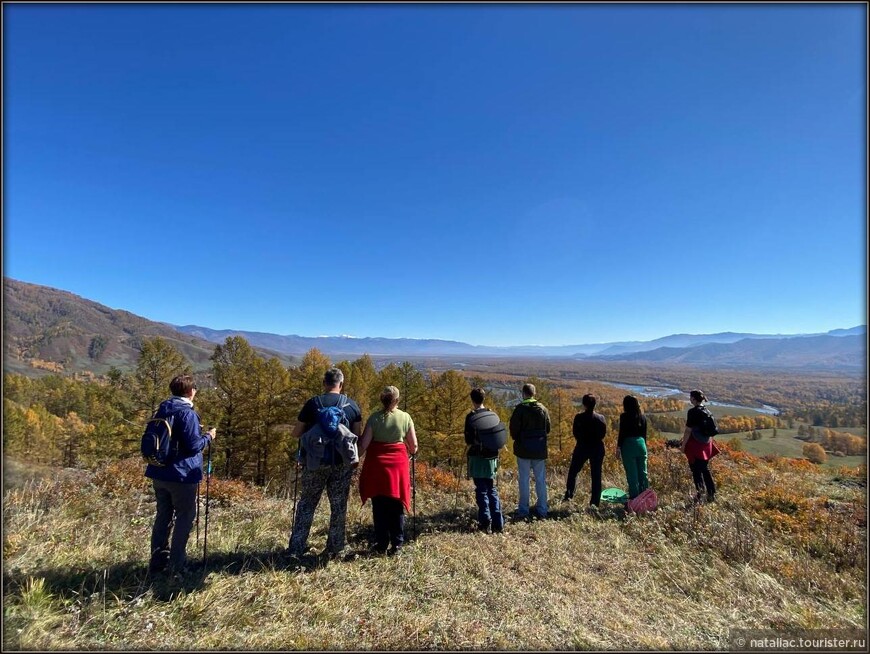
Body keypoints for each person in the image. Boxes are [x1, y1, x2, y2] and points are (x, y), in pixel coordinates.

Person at [287, 367, 362, 560]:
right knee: (338, 506)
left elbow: (296, 433)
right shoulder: (352, 406)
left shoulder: (313, 404)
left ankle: (296, 547)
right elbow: (357, 436)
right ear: (341, 384)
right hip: (341, 464)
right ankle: (335, 547)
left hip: (314, 463)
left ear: (324, 383)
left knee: (307, 504)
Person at [145, 374, 216, 576]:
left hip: (158, 471)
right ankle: (177, 566)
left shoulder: (163, 409)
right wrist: (208, 437)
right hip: (182, 474)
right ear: (190, 391)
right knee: (185, 516)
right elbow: (193, 446)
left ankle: (157, 562)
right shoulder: (187, 414)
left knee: (163, 517)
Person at [358, 386, 418, 555]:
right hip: (397, 466)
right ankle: (397, 544)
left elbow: (364, 445)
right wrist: (410, 450)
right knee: (396, 504)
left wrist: (353, 460)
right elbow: (413, 446)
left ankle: (381, 543)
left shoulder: (374, 418)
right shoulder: (405, 417)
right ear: (397, 400)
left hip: (377, 466)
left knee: (379, 505)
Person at [464, 388, 504, 534]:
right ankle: (498, 524)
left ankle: (484, 522)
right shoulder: (492, 414)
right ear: (483, 398)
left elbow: (468, 440)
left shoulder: (471, 417)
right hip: (491, 458)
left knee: (481, 490)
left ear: (472, 399)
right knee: (492, 489)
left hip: (477, 458)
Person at [509, 383, 551, 519]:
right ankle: (543, 510)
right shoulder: (543, 409)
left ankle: (523, 510)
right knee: (540, 480)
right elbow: (548, 429)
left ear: (523, 393)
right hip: (539, 450)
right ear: (534, 393)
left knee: (524, 480)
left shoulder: (520, 409)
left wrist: (520, 439)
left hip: (523, 450)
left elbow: (514, 431)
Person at [564, 393, 607, 507]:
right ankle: (595, 502)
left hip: (582, 447)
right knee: (596, 475)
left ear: (584, 405)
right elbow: (603, 434)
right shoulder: (601, 418)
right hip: (597, 448)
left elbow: (575, 433)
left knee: (573, 472)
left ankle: (569, 495)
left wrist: (582, 440)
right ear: (594, 404)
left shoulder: (579, 417)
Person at [681, 389, 721, 503]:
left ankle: (700, 494)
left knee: (696, 471)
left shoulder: (692, 412)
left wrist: (683, 446)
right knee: (705, 469)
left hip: (696, 446)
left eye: (691, 398)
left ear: (693, 399)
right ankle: (711, 493)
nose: (690, 399)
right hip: (706, 445)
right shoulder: (707, 411)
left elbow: (688, 431)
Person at [617, 395, 649, 500]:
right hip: (641, 444)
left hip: (629, 445)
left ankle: (634, 499)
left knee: (632, 474)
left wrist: (618, 448)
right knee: (643, 472)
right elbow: (644, 435)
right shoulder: (642, 417)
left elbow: (622, 433)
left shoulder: (624, 417)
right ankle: (645, 496)